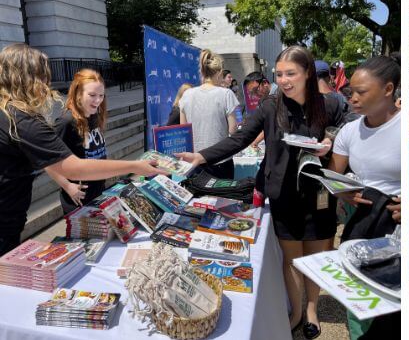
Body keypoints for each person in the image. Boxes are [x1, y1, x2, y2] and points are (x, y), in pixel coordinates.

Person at [176, 46, 344, 339]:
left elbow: (349, 125)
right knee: (291, 258)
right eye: (279, 74)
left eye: (291, 73)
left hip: (317, 193)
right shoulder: (270, 106)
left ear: (307, 73)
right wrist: (201, 156)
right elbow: (240, 138)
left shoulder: (327, 105)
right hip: (283, 194)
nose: (284, 80)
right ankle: (295, 310)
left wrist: (330, 139)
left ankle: (312, 310)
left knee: (315, 257)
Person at [0, 43, 165, 255]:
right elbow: (71, 167)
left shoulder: (10, 115)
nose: (46, 84)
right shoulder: (21, 120)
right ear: (27, 78)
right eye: (42, 77)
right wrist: (134, 165)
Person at [328, 54, 401, 340]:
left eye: (361, 92)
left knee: (391, 297)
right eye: (350, 92)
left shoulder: (408, 129)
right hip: (360, 222)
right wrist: (344, 192)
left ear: (388, 89)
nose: (353, 99)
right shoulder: (349, 130)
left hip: (396, 226)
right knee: (358, 289)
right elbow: (334, 175)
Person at [48, 69, 109, 215]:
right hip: (78, 201)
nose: (98, 100)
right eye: (92, 95)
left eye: (101, 95)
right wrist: (68, 186)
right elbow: (47, 160)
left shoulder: (94, 116)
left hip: (98, 192)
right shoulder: (66, 122)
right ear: (78, 94)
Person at [179, 50, 239, 179]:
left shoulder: (187, 94)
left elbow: (183, 129)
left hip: (194, 160)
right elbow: (233, 130)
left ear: (202, 72)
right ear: (218, 73)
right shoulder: (226, 94)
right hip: (220, 159)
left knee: (197, 198)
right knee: (223, 198)